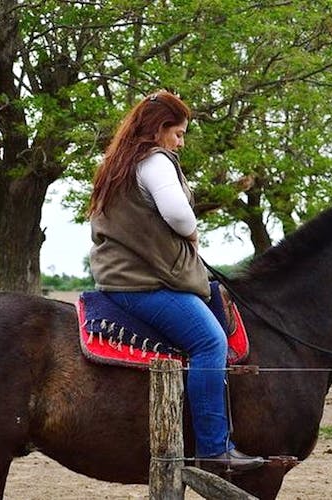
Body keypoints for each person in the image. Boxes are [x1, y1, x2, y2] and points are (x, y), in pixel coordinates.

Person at [87, 90, 263, 473]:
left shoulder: (118, 163)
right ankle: (215, 450)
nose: (180, 142)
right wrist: (192, 233)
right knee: (209, 340)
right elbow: (180, 217)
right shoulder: (154, 161)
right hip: (144, 284)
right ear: (158, 130)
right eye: (178, 133)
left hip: (121, 278)